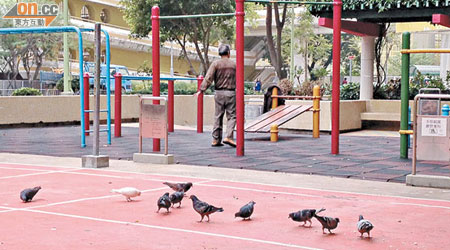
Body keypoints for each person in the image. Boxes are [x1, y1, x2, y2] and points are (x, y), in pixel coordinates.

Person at [195, 44, 236, 147]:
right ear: (229, 53)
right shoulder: (234, 65)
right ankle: (229, 136)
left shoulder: (216, 64)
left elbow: (208, 77)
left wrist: (201, 90)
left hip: (218, 93)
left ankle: (215, 139)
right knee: (231, 116)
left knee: (218, 116)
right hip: (231, 92)